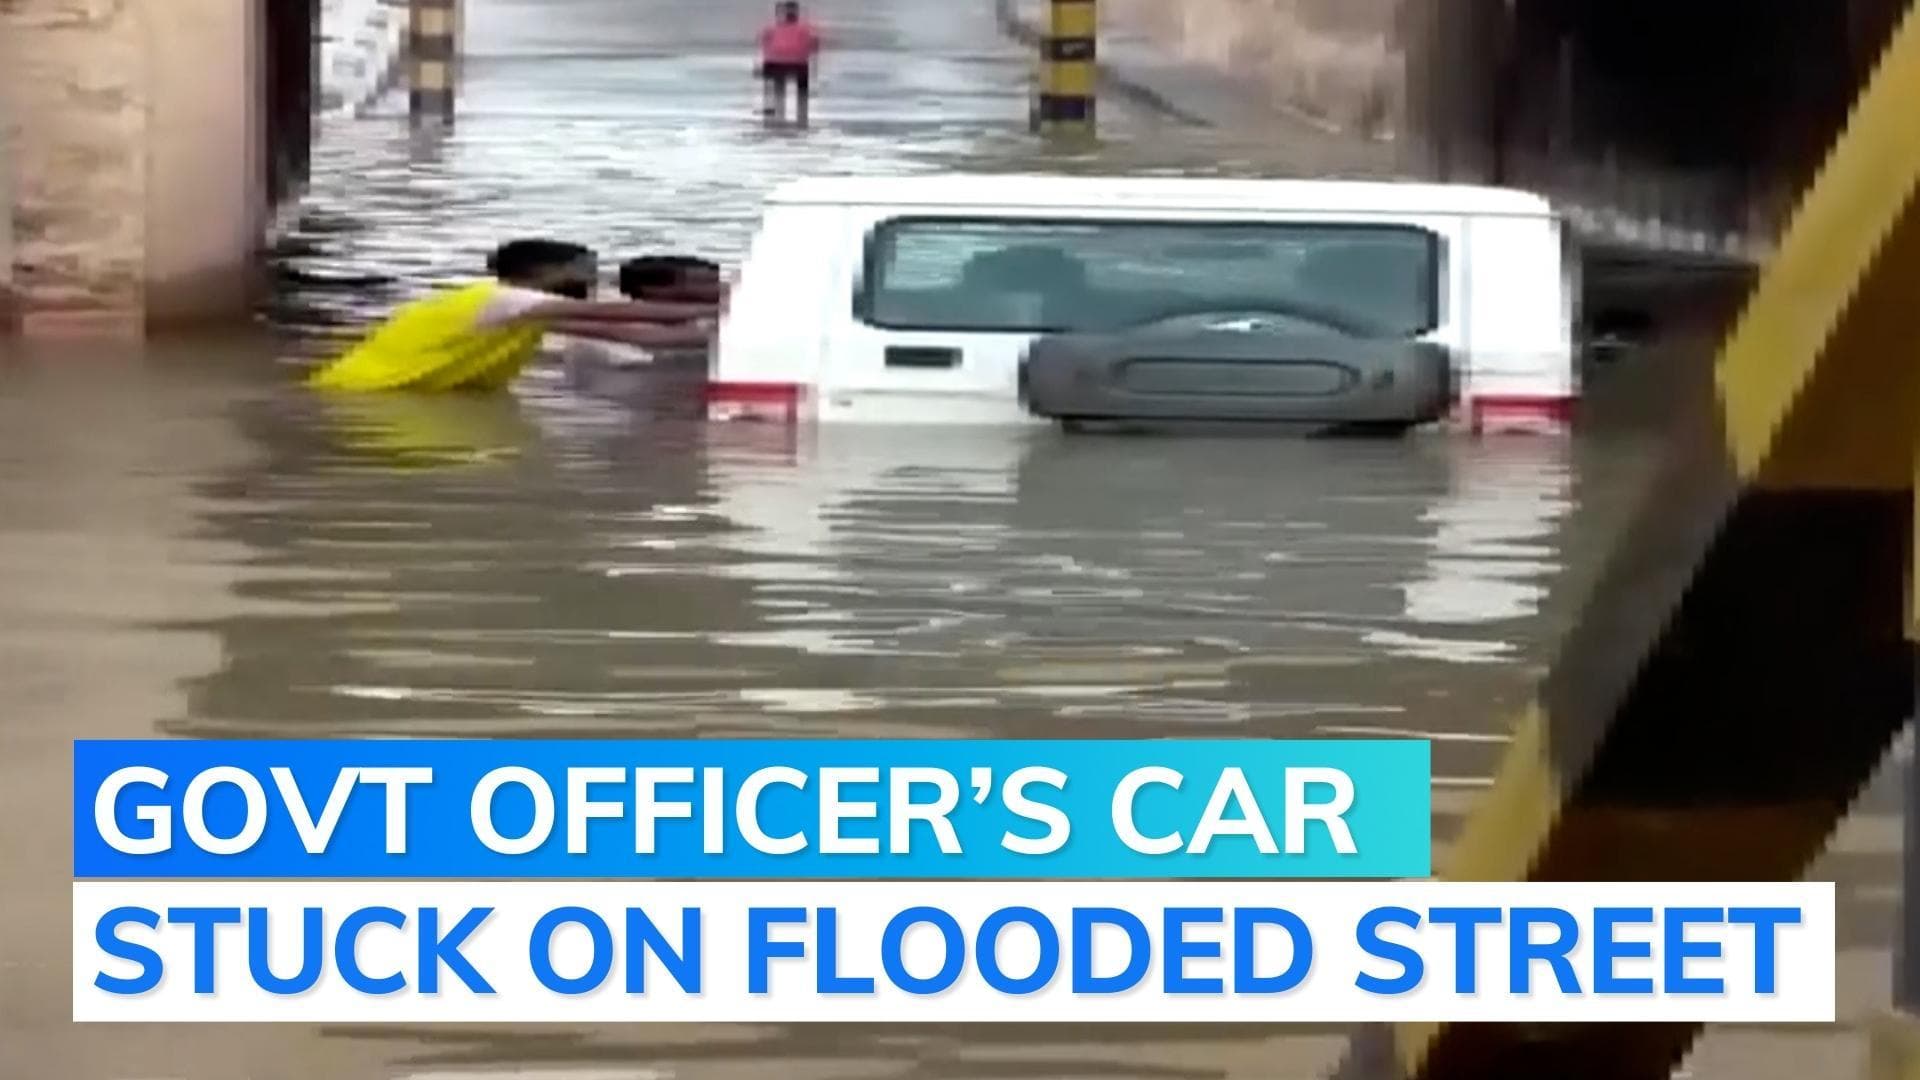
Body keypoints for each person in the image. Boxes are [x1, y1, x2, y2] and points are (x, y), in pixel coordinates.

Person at [306, 239, 720, 393]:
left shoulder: (523, 313)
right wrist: (724, 309)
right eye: (582, 272)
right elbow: (610, 312)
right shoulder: (503, 300)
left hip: (387, 393)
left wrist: (723, 331)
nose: (590, 281)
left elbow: (636, 333)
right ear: (542, 274)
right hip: (366, 392)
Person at [757, 1, 820, 127]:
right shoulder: (805, 29)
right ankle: (802, 115)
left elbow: (763, 44)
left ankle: (775, 113)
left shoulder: (770, 29)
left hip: (775, 62)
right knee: (802, 91)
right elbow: (814, 46)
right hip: (798, 63)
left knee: (776, 88)